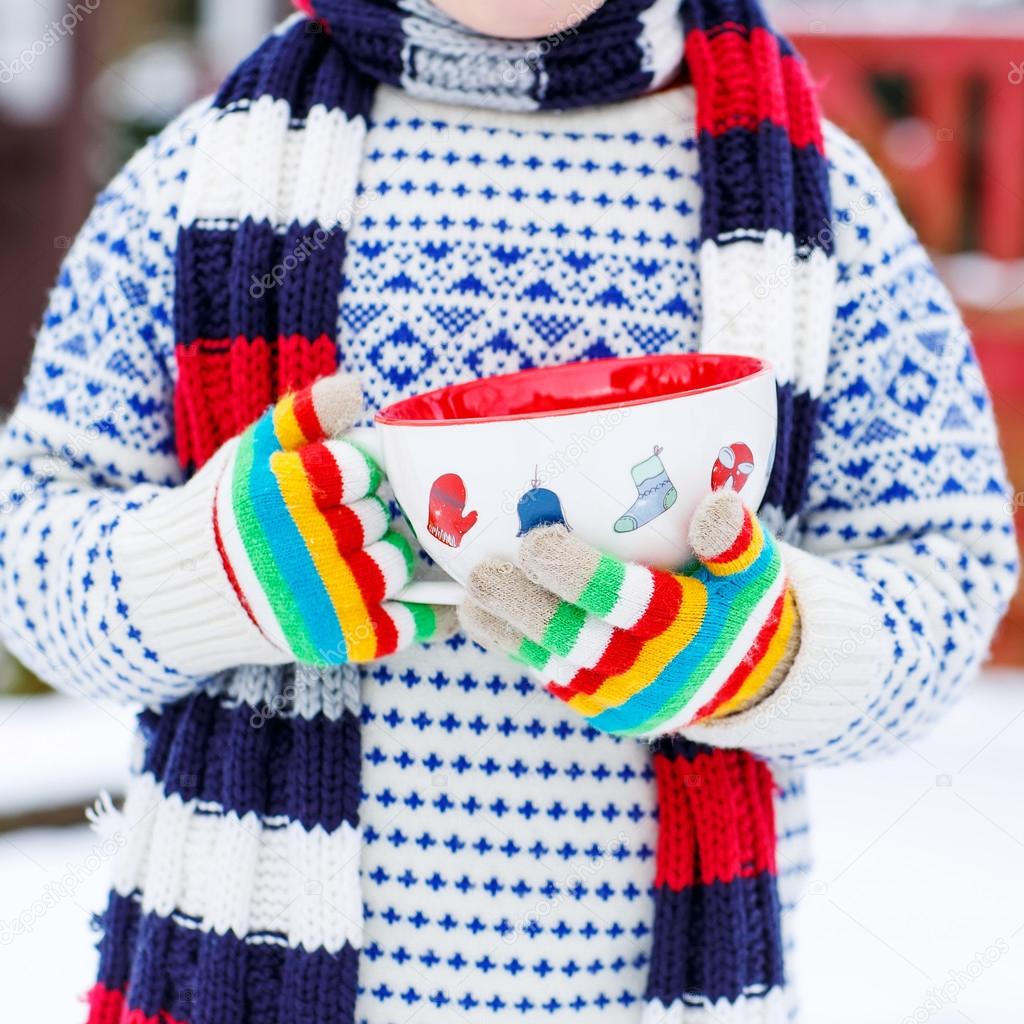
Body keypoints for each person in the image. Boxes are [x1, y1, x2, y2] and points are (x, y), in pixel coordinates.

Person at [0, 0, 1016, 1021]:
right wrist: (211, 572)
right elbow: (30, 543)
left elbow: (946, 568)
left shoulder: (819, 203)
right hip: (248, 985)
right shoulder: (201, 179)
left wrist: (767, 654)